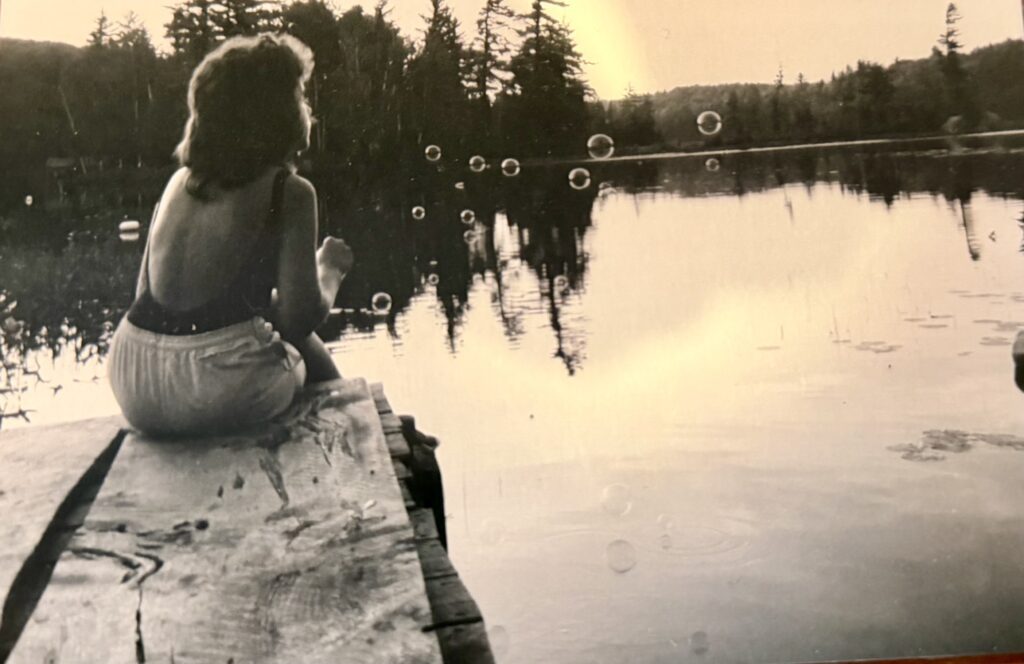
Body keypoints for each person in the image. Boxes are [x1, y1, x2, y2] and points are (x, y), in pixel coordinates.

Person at [108, 34, 352, 437]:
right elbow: (299, 321)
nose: (306, 108)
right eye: (299, 97)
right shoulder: (288, 190)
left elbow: (144, 297)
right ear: (278, 114)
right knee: (293, 342)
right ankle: (352, 423)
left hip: (134, 378)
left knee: (265, 319)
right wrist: (329, 271)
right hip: (218, 388)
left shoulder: (178, 182)